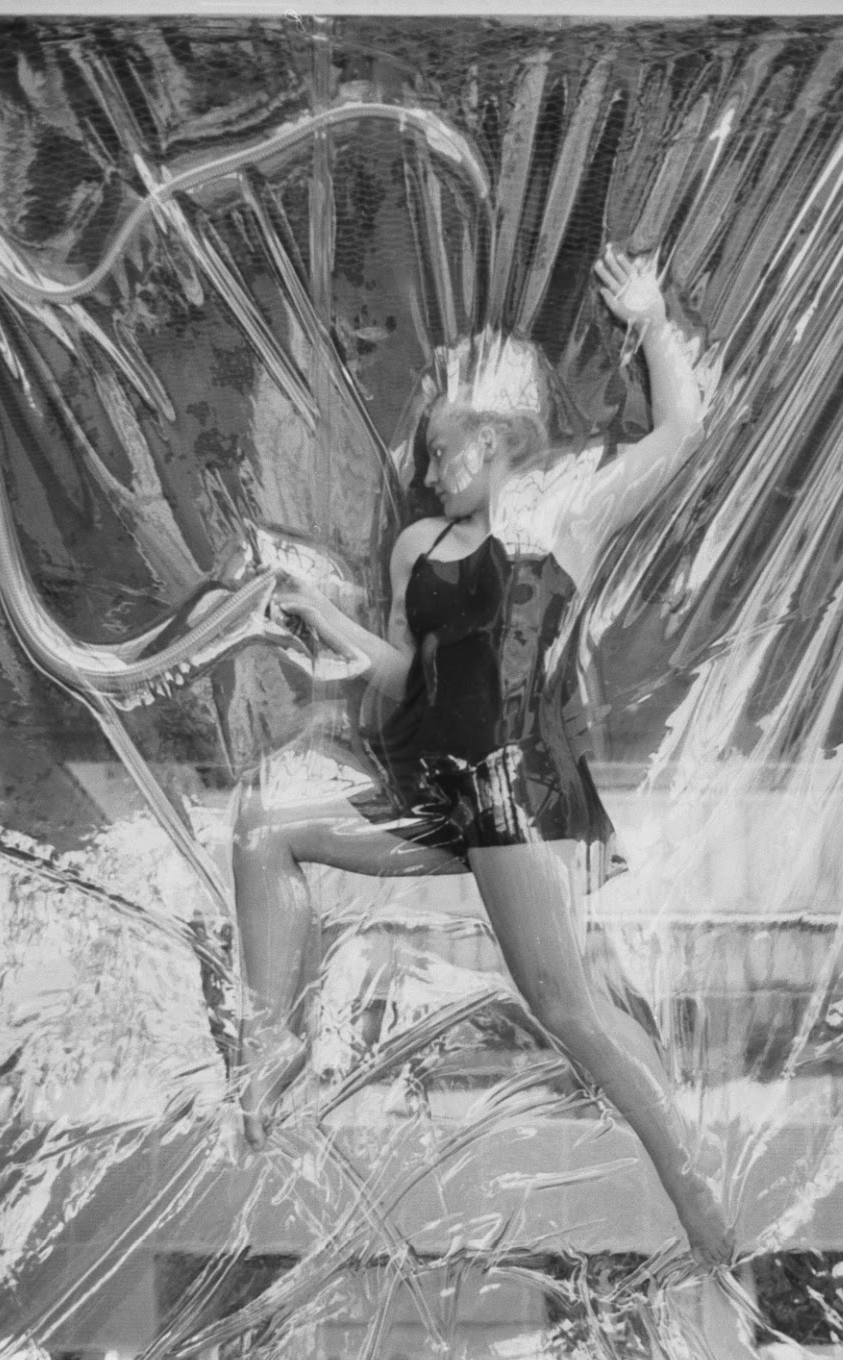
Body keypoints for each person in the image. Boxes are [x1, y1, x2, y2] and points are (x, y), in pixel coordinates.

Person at [232, 245, 732, 1266]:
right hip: (433, 783)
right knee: (264, 825)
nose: (426, 471)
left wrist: (647, 320)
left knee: (566, 1008)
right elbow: (402, 676)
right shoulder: (416, 549)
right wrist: (321, 612)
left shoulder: (567, 507)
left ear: (492, 436)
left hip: (513, 787)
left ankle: (699, 1195)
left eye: (440, 450)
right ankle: (267, 1054)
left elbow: (681, 430)